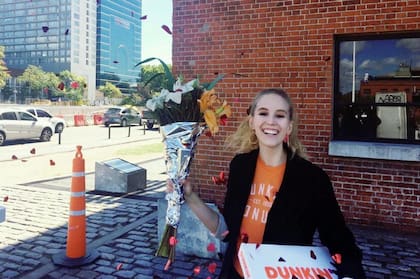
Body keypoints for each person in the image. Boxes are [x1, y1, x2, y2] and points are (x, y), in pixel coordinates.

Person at [169, 88, 366, 278]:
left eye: (280, 115)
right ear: (252, 122)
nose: (271, 121)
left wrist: (349, 275)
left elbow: (341, 241)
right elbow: (227, 231)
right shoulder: (240, 167)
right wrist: (190, 197)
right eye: (263, 113)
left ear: (289, 126)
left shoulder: (312, 179)